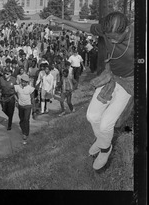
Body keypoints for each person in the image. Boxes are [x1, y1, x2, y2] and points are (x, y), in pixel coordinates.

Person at [52, 11, 134, 170]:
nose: (110, 40)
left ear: (125, 30)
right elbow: (87, 27)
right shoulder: (105, 30)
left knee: (105, 125)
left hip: (128, 84)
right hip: (110, 77)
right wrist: (63, 20)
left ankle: (105, 149)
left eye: (114, 37)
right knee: (92, 116)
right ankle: (103, 141)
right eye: (107, 36)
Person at [14, 74, 35, 145]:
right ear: (21, 81)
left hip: (28, 106)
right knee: (22, 120)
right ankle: (23, 130)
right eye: (23, 82)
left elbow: (32, 98)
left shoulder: (30, 88)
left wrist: (34, 109)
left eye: (25, 82)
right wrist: (16, 99)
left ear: (27, 82)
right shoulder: (17, 87)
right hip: (20, 106)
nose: (24, 83)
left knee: (26, 119)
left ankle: (26, 133)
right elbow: (12, 91)